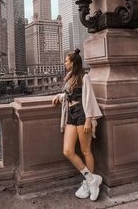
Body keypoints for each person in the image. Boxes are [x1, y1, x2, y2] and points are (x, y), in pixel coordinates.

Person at [52, 48, 103, 201]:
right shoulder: (69, 77)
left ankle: (89, 184)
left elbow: (89, 97)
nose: (64, 63)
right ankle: (91, 179)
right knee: (68, 150)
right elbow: (70, 94)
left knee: (86, 150)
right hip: (71, 114)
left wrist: (89, 118)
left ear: (73, 62)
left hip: (82, 114)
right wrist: (60, 96)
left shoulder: (84, 77)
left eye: (66, 61)